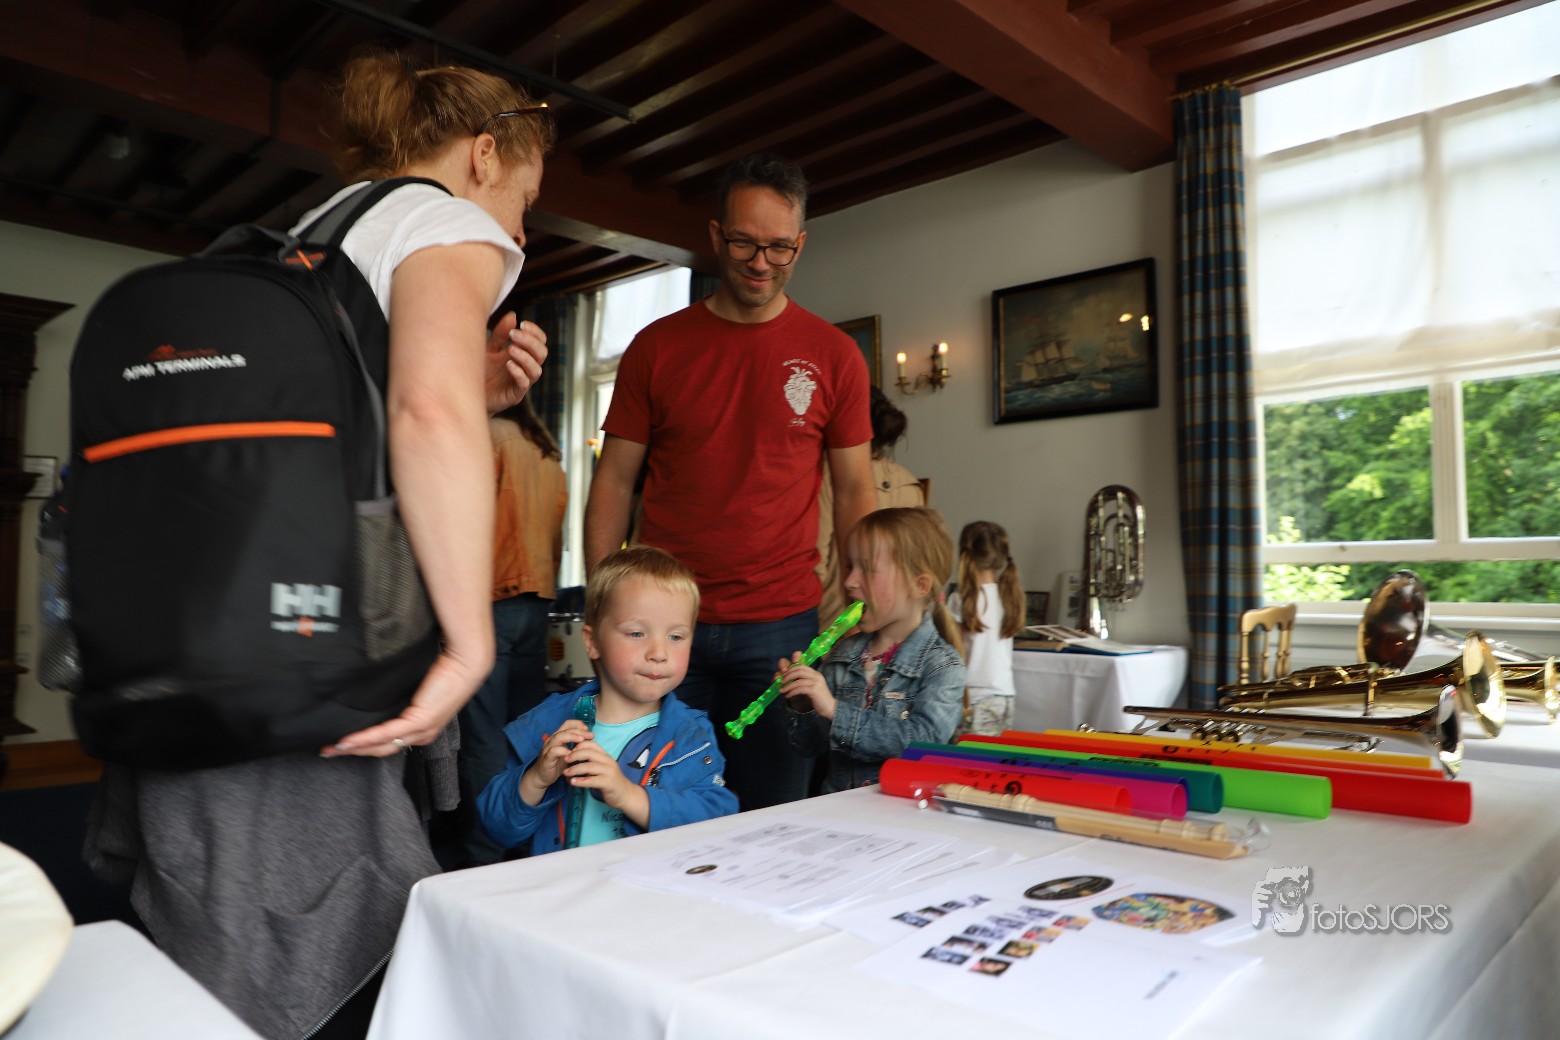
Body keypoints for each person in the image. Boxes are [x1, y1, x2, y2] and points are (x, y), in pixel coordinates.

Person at [83, 52, 554, 1040]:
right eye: (525, 199)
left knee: (218, 913)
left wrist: (476, 390)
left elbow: (337, 425)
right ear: (483, 155)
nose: (520, 232)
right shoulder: (447, 223)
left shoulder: (309, 234)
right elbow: (424, 413)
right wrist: (471, 643)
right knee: (323, 931)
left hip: (205, 619)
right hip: (324, 635)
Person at [583, 153, 876, 809]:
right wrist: (605, 602)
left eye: (779, 247)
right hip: (660, 620)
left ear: (800, 245)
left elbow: (857, 489)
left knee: (776, 812)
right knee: (647, 804)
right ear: (716, 236)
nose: (760, 262)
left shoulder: (834, 356)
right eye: (744, 242)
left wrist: (863, 590)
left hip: (781, 626)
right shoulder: (657, 347)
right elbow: (614, 481)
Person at [478, 546, 738, 852]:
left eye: (676, 637)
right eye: (636, 633)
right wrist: (536, 778)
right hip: (569, 881)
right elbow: (496, 828)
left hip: (649, 882)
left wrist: (627, 795)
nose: (659, 653)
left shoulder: (691, 735)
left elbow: (717, 821)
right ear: (592, 642)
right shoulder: (548, 723)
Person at [449, 394, 567, 867]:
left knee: (482, 739)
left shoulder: (487, 439)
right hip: (538, 602)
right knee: (527, 735)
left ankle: (483, 854)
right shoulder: (546, 451)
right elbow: (556, 539)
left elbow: (464, 525)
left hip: (491, 598)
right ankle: (524, 844)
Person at [780, 507, 967, 792]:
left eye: (866, 570)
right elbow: (810, 747)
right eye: (849, 567)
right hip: (840, 808)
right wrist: (803, 706)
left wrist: (834, 710)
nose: (849, 582)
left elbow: (923, 744)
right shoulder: (843, 655)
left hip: (905, 811)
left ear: (919, 586)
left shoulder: (942, 666)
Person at [816, 386, 925, 625]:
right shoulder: (909, 482)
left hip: (836, 625)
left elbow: (815, 562)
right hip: (894, 625)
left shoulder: (826, 477)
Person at [948, 521, 1024, 737]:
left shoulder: (960, 599)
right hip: (1005, 696)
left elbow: (953, 650)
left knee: (967, 756)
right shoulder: (1009, 596)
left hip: (974, 697)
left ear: (965, 554)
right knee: (993, 755)